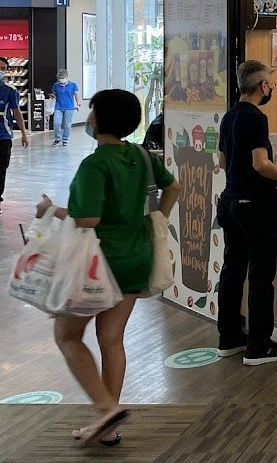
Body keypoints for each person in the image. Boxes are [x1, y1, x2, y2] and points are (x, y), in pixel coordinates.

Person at [36, 89, 180, 447]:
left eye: (93, 110)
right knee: (111, 337)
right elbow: (173, 186)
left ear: (99, 120)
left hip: (99, 263)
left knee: (67, 337)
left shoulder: (96, 164)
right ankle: (109, 424)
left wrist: (51, 210)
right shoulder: (142, 156)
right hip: (137, 257)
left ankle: (104, 407)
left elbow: (87, 220)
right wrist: (159, 215)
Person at [216, 60, 277, 365]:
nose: (271, 88)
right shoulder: (256, 118)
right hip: (255, 206)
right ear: (263, 86)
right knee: (261, 275)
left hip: (230, 202)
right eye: (270, 84)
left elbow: (223, 161)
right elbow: (260, 163)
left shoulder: (229, 116)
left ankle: (230, 338)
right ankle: (259, 346)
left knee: (232, 270)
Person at [0, 56, 30, 214]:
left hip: (3, 137)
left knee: (1, 169)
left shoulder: (10, 91)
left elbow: (17, 113)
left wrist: (24, 133)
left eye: (2, 69)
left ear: (6, 72)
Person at [50, 69, 81, 146]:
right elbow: (54, 94)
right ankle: (57, 139)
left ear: (67, 77)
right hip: (58, 107)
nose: (61, 79)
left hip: (69, 107)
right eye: (59, 78)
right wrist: (53, 96)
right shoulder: (56, 85)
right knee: (57, 123)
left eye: (62, 78)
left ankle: (65, 139)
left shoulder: (73, 85)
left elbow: (76, 95)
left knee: (67, 125)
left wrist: (78, 104)